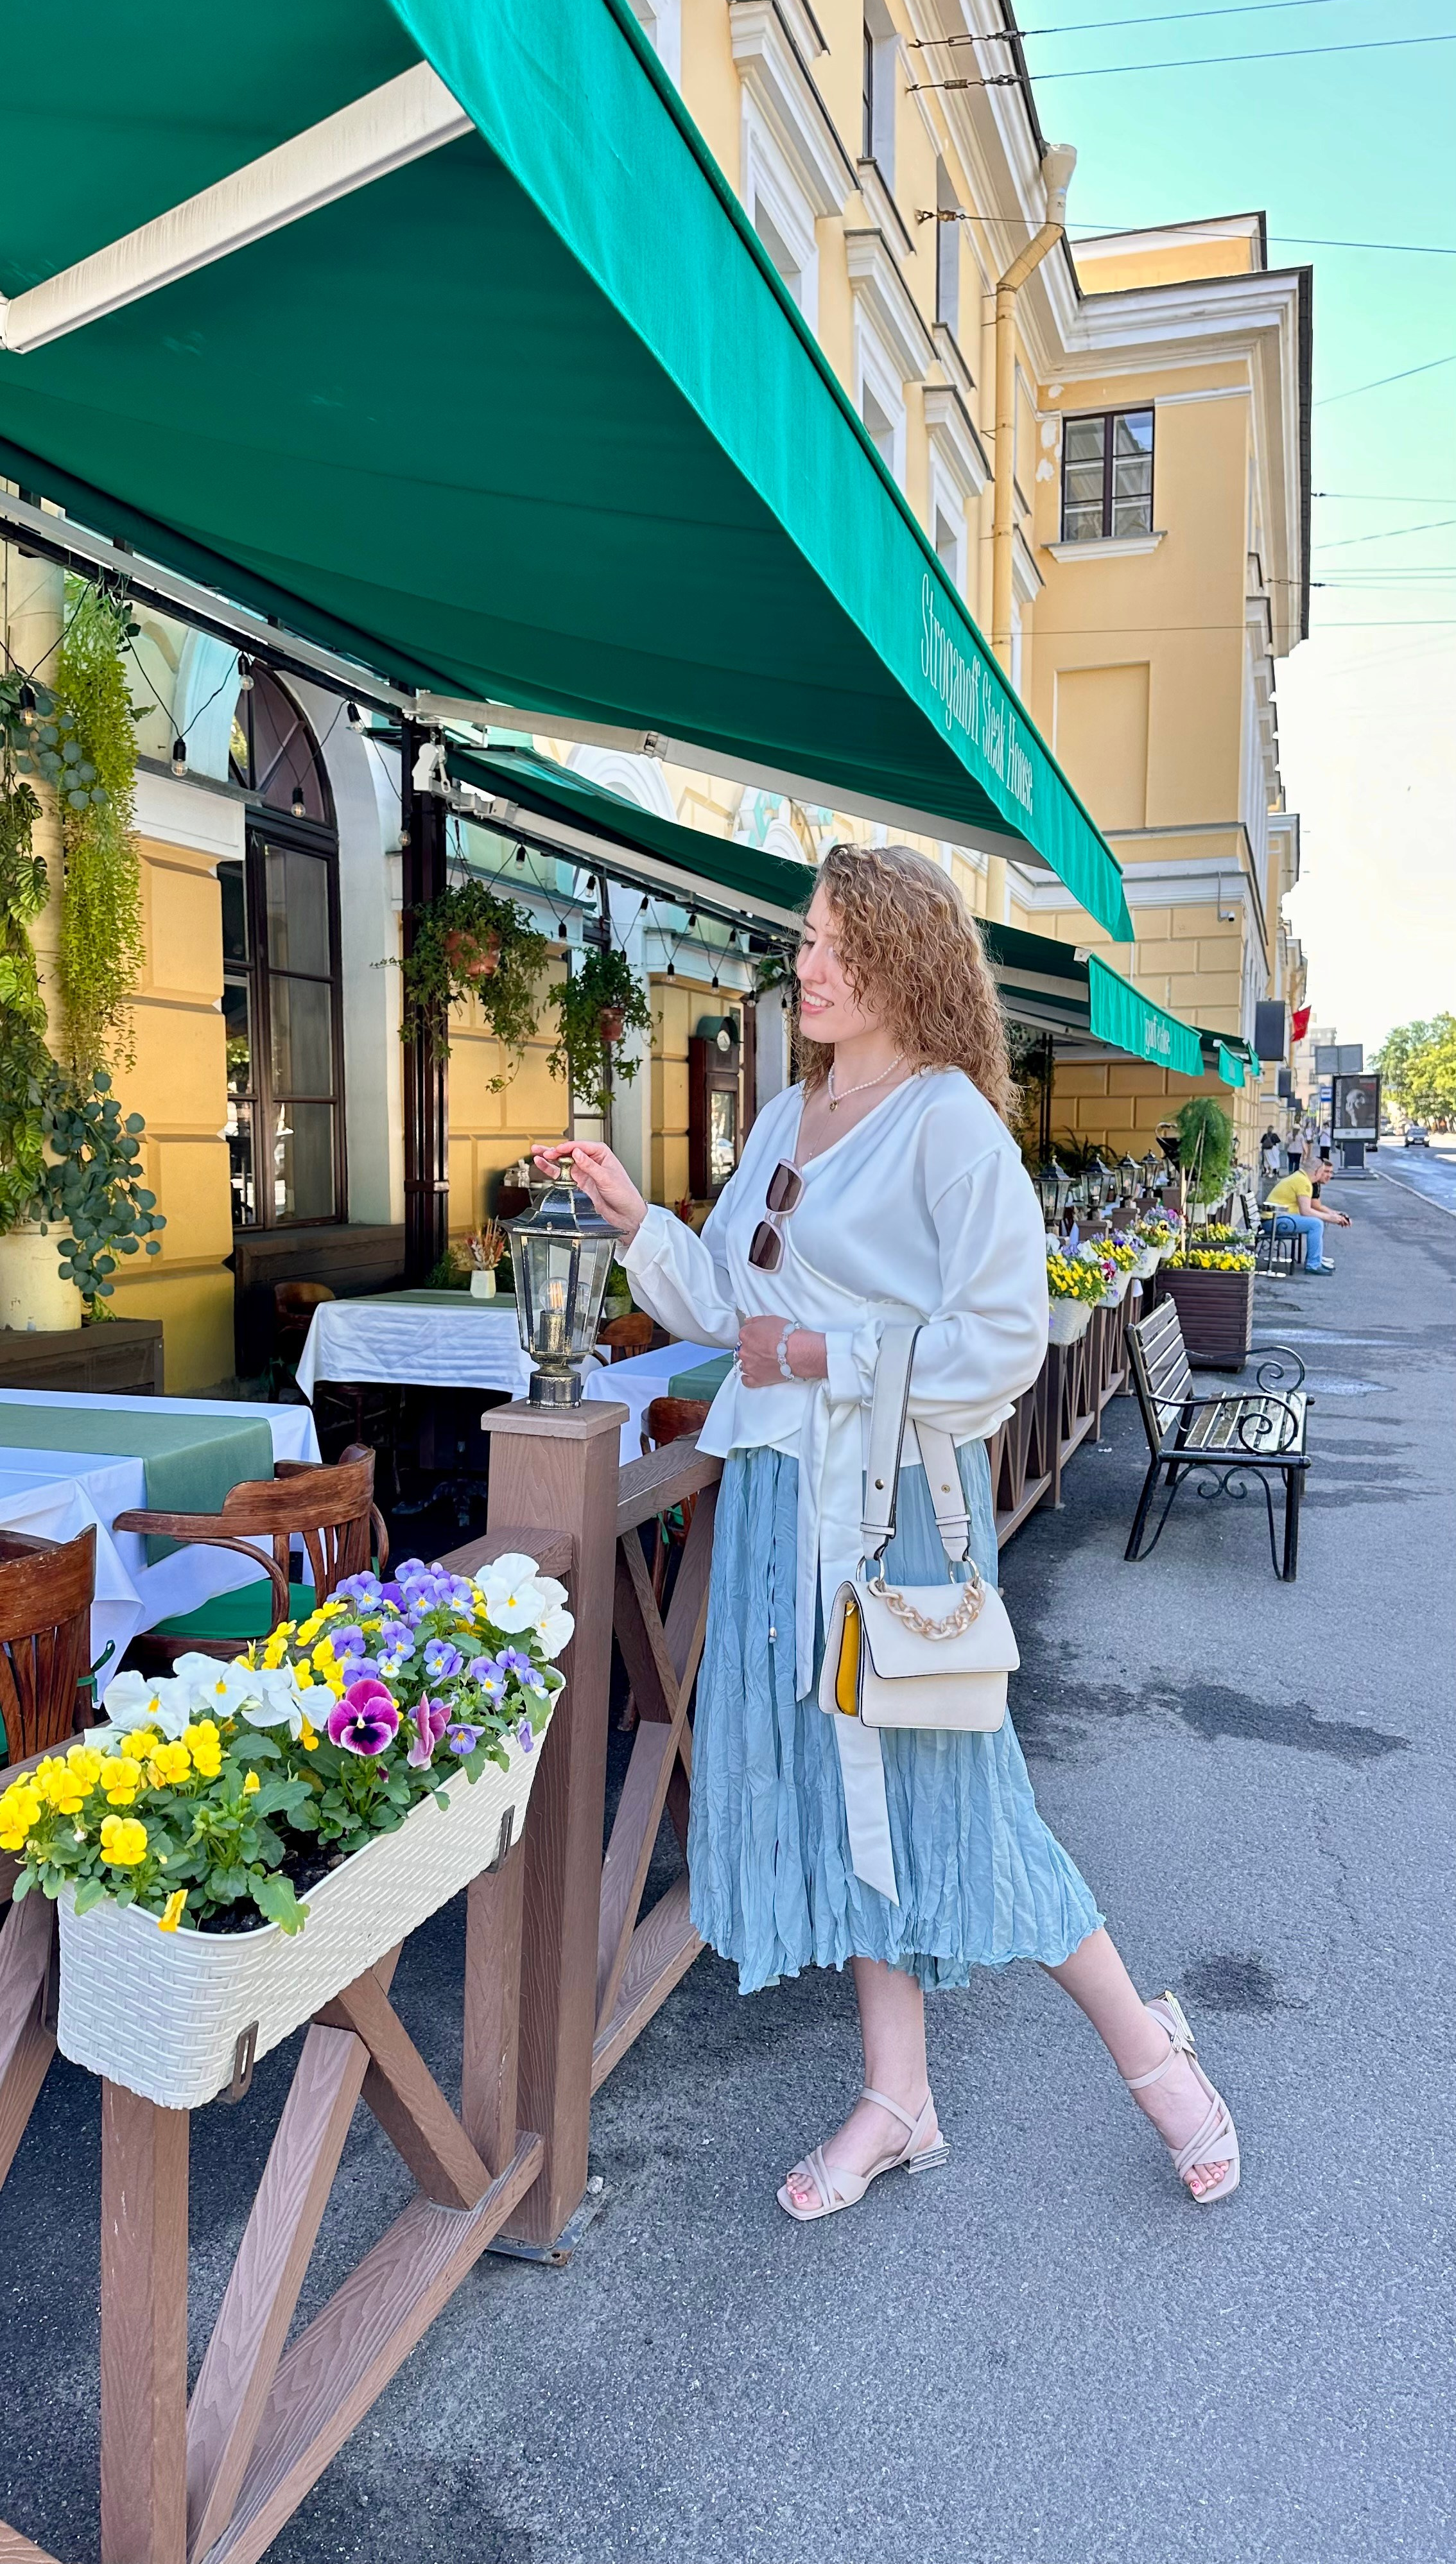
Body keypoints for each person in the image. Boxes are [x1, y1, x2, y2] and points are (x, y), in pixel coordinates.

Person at [538, 845, 1238, 2218]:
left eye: (833, 942)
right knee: (841, 1787)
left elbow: (1000, 1348)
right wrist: (636, 1222)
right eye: (804, 938)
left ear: (904, 959)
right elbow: (726, 1308)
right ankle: (895, 2093)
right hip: (781, 1504)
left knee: (955, 1793)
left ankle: (1152, 2051)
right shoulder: (786, 1116)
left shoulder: (949, 1126)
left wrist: (821, 1352)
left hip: (895, 1507)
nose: (805, 964)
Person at [1261, 1154, 1350, 1274]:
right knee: (1316, 1224)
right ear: (1317, 1172)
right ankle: (1313, 1265)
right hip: (1275, 1222)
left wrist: (1332, 1216)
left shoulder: (1300, 1177)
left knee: (1317, 1222)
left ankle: (1316, 1260)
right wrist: (1330, 1218)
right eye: (1323, 1172)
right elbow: (1306, 1211)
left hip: (1275, 1219)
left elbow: (1309, 1209)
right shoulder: (1303, 1182)